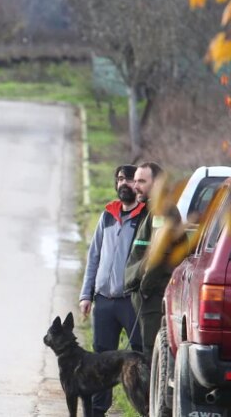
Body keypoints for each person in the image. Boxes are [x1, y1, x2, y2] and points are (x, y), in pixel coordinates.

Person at [79, 164, 146, 417]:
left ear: (137, 185)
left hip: (130, 301)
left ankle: (147, 409)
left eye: (129, 179)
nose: (123, 184)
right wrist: (86, 295)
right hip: (103, 301)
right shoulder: (108, 214)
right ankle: (97, 412)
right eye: (119, 179)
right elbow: (94, 255)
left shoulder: (144, 217)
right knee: (101, 360)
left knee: (139, 356)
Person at [123, 162, 185, 361]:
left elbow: (159, 254)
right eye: (135, 181)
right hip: (149, 295)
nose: (135, 186)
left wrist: (145, 287)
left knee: (152, 355)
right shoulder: (152, 209)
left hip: (153, 296)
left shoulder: (162, 211)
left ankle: (151, 394)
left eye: (142, 181)